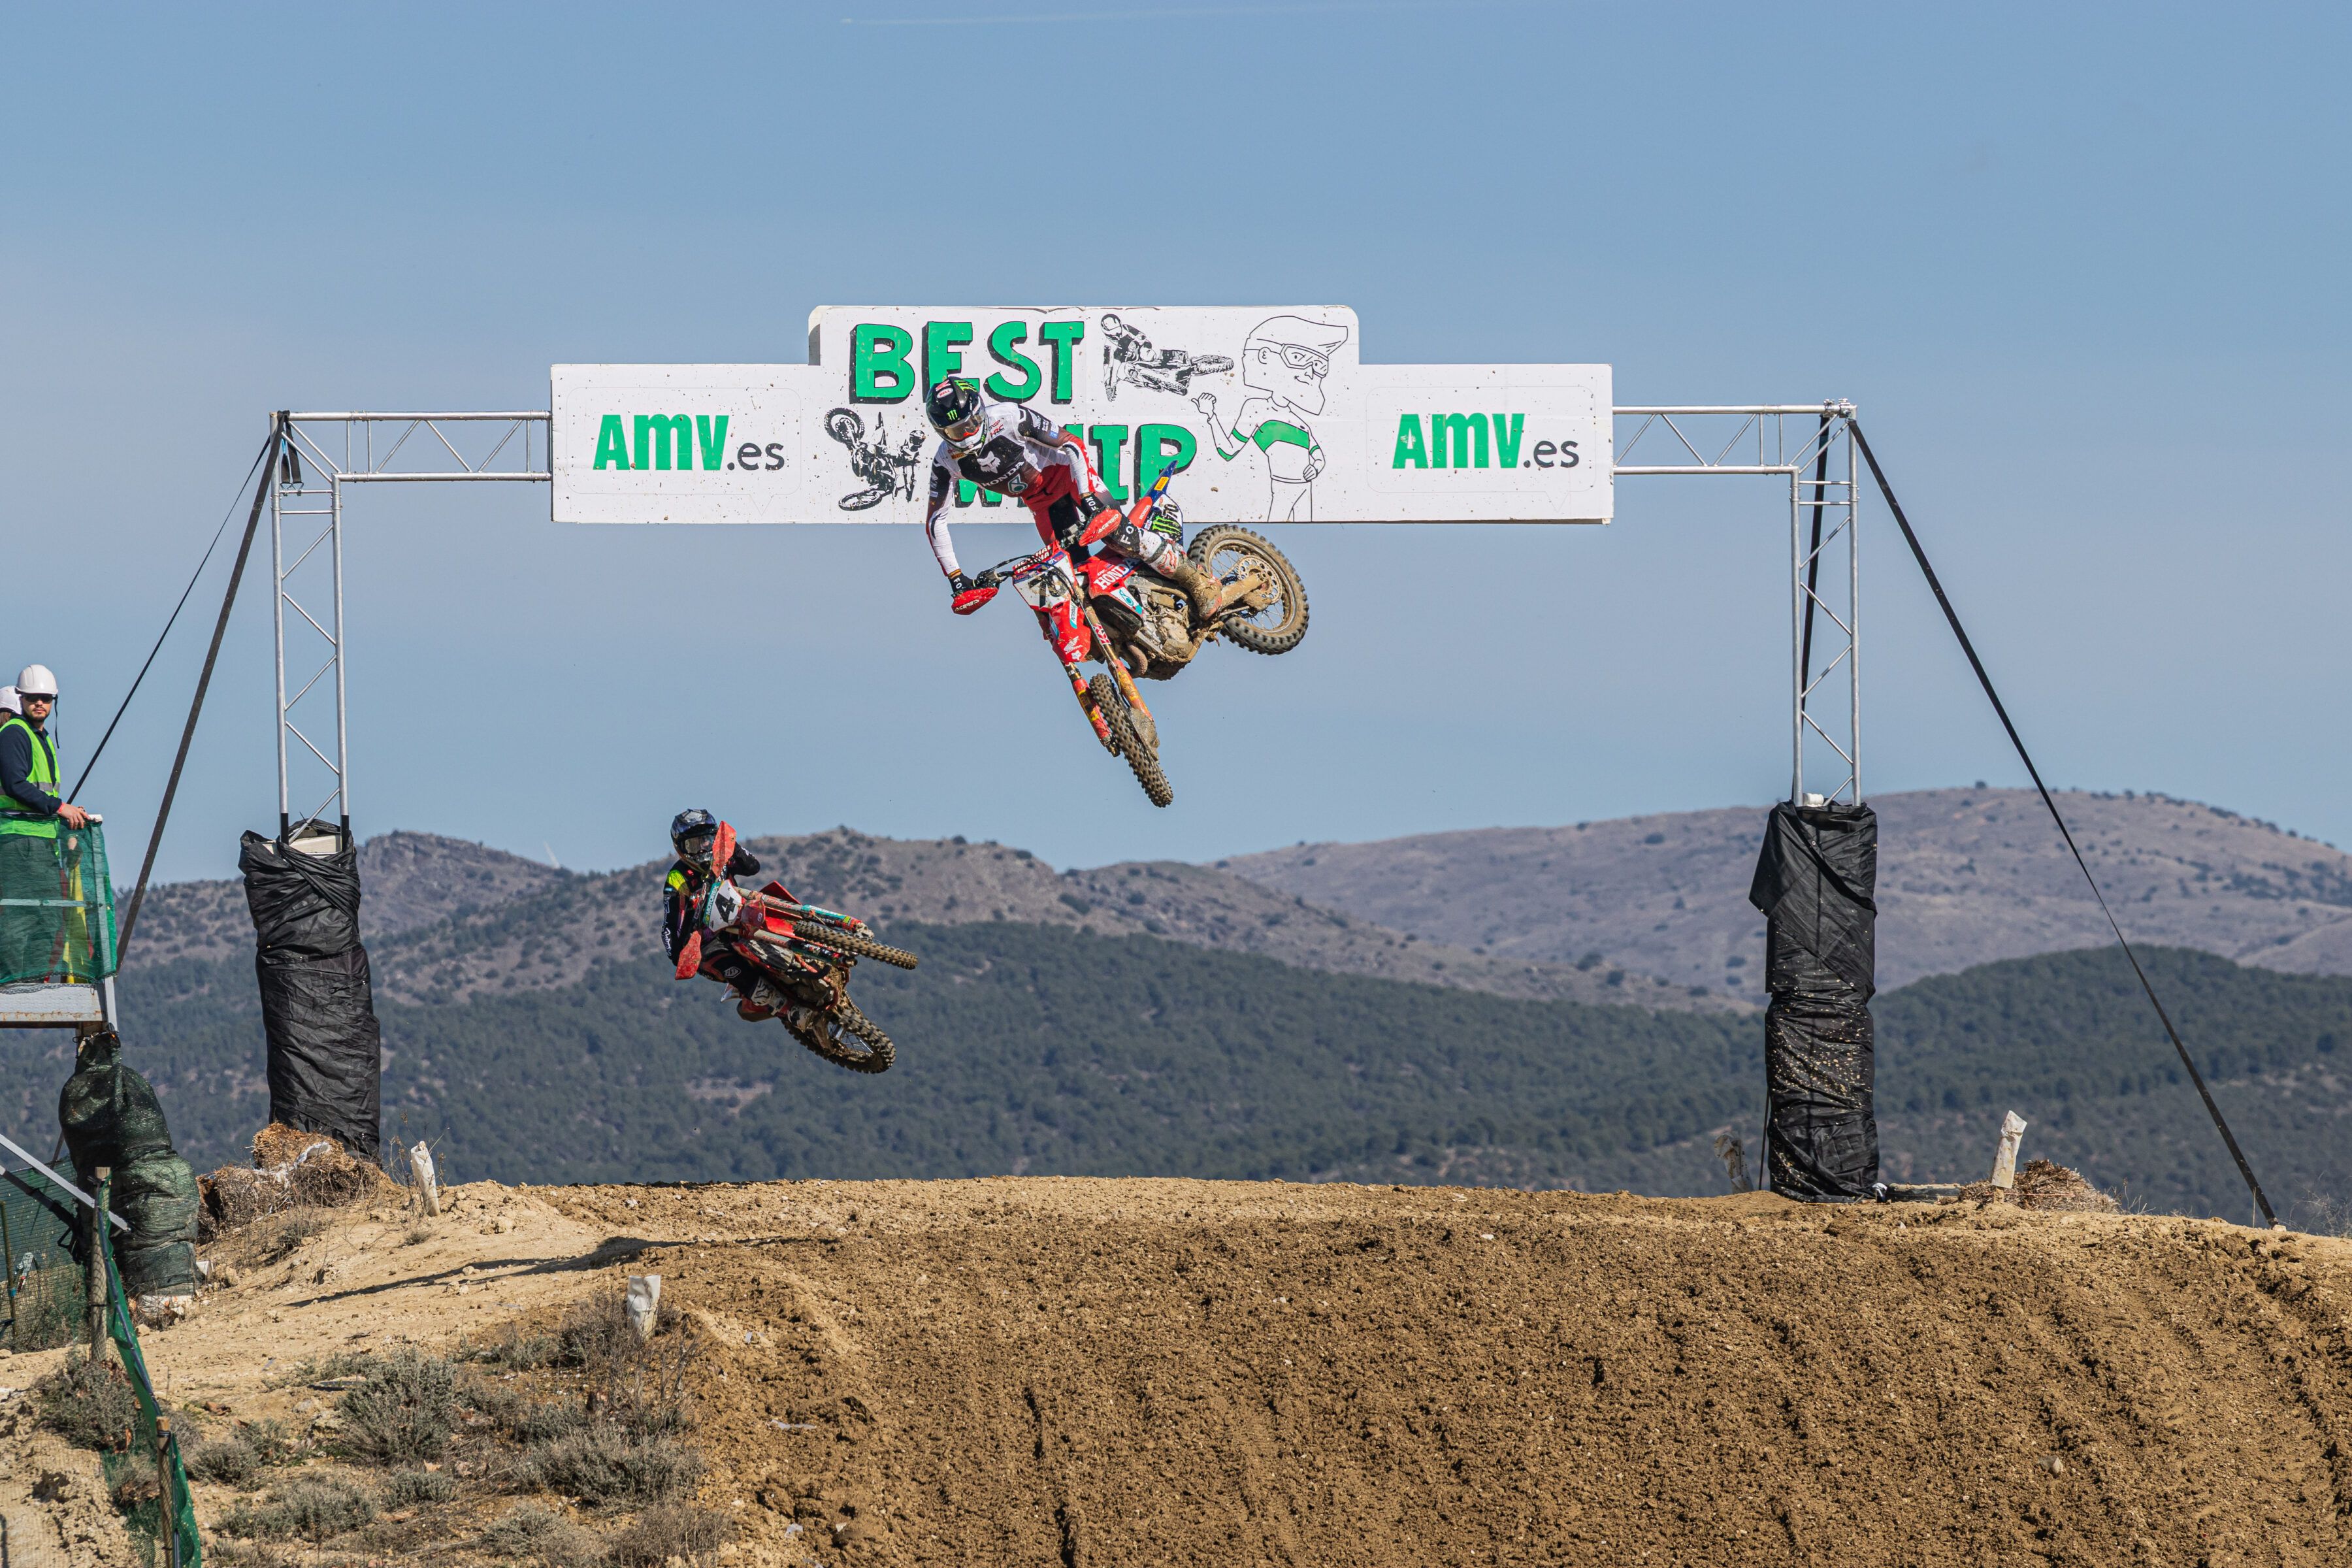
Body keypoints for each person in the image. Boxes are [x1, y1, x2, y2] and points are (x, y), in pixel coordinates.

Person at [919, 377, 1224, 619]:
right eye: (956, 431)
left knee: (1117, 536)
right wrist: (956, 578)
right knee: (1072, 580)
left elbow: (1072, 444)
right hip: (1041, 503)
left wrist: (1090, 499)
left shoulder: (1010, 416)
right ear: (941, 431)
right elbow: (936, 522)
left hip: (1070, 477)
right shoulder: (945, 461)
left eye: (970, 423)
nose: (967, 433)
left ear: (980, 410)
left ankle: (1198, 584)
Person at [0, 664, 93, 981]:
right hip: (19, 840)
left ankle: (32, 979)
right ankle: (13, 982)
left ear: (53, 701)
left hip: (41, 840)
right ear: (22, 699)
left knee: (50, 916)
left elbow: (42, 791)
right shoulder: (15, 733)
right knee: (20, 915)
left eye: (46, 698)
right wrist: (59, 807)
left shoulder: (42, 738)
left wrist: (66, 810)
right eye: (33, 698)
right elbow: (15, 784)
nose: (39, 704)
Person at [659, 808, 787, 1021]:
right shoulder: (677, 878)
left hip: (743, 916)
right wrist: (679, 952)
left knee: (770, 903)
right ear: (681, 849)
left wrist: (733, 848)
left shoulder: (721, 854)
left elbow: (753, 867)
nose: (701, 849)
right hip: (713, 941)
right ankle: (767, 999)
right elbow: (671, 927)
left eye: (706, 840)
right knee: (721, 960)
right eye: (693, 844)